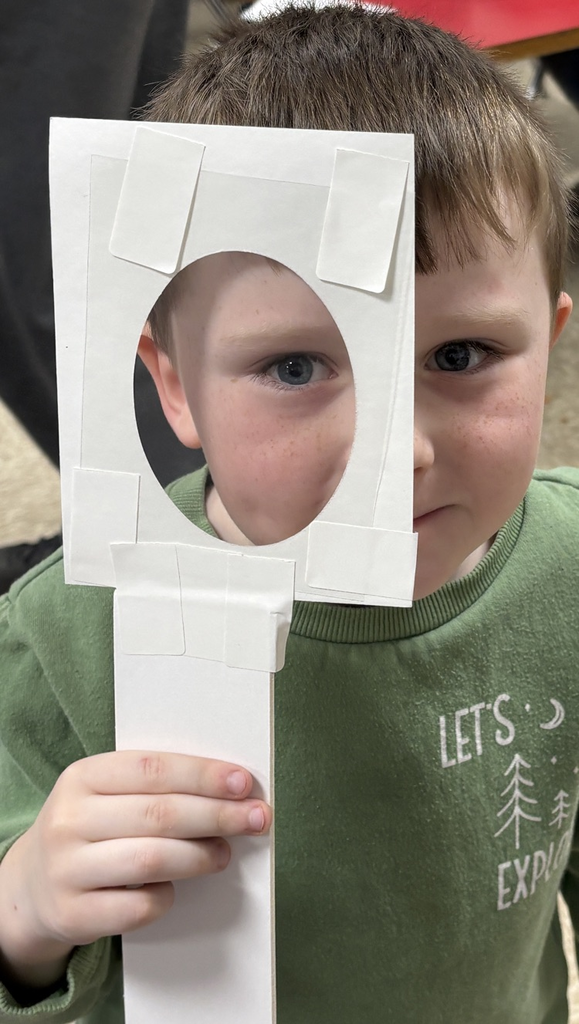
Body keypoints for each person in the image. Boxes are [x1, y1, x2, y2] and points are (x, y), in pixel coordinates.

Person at [0, 5, 577, 1022]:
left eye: (462, 356)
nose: (400, 453)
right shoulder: (63, 636)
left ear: (554, 336)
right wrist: (28, 912)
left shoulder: (570, 567)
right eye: (297, 366)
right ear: (173, 387)